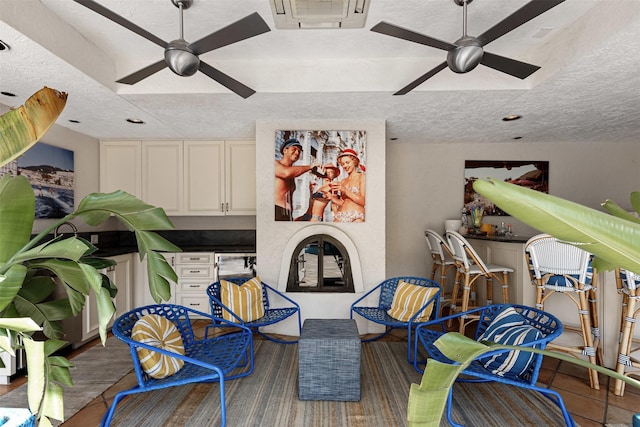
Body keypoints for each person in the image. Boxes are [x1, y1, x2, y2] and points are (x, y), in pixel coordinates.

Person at [274, 138, 317, 221]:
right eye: (294, 149)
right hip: (275, 210)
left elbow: (289, 198)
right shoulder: (275, 163)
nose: (297, 152)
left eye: (299, 151)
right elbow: (285, 173)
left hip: (287, 214)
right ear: (285, 150)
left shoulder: (293, 174)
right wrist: (310, 167)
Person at [330, 149, 366, 222]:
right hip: (340, 216)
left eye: (347, 162)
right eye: (343, 164)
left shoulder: (362, 177)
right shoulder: (343, 181)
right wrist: (332, 198)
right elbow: (344, 203)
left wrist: (345, 191)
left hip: (356, 217)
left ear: (354, 162)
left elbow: (363, 202)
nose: (345, 166)